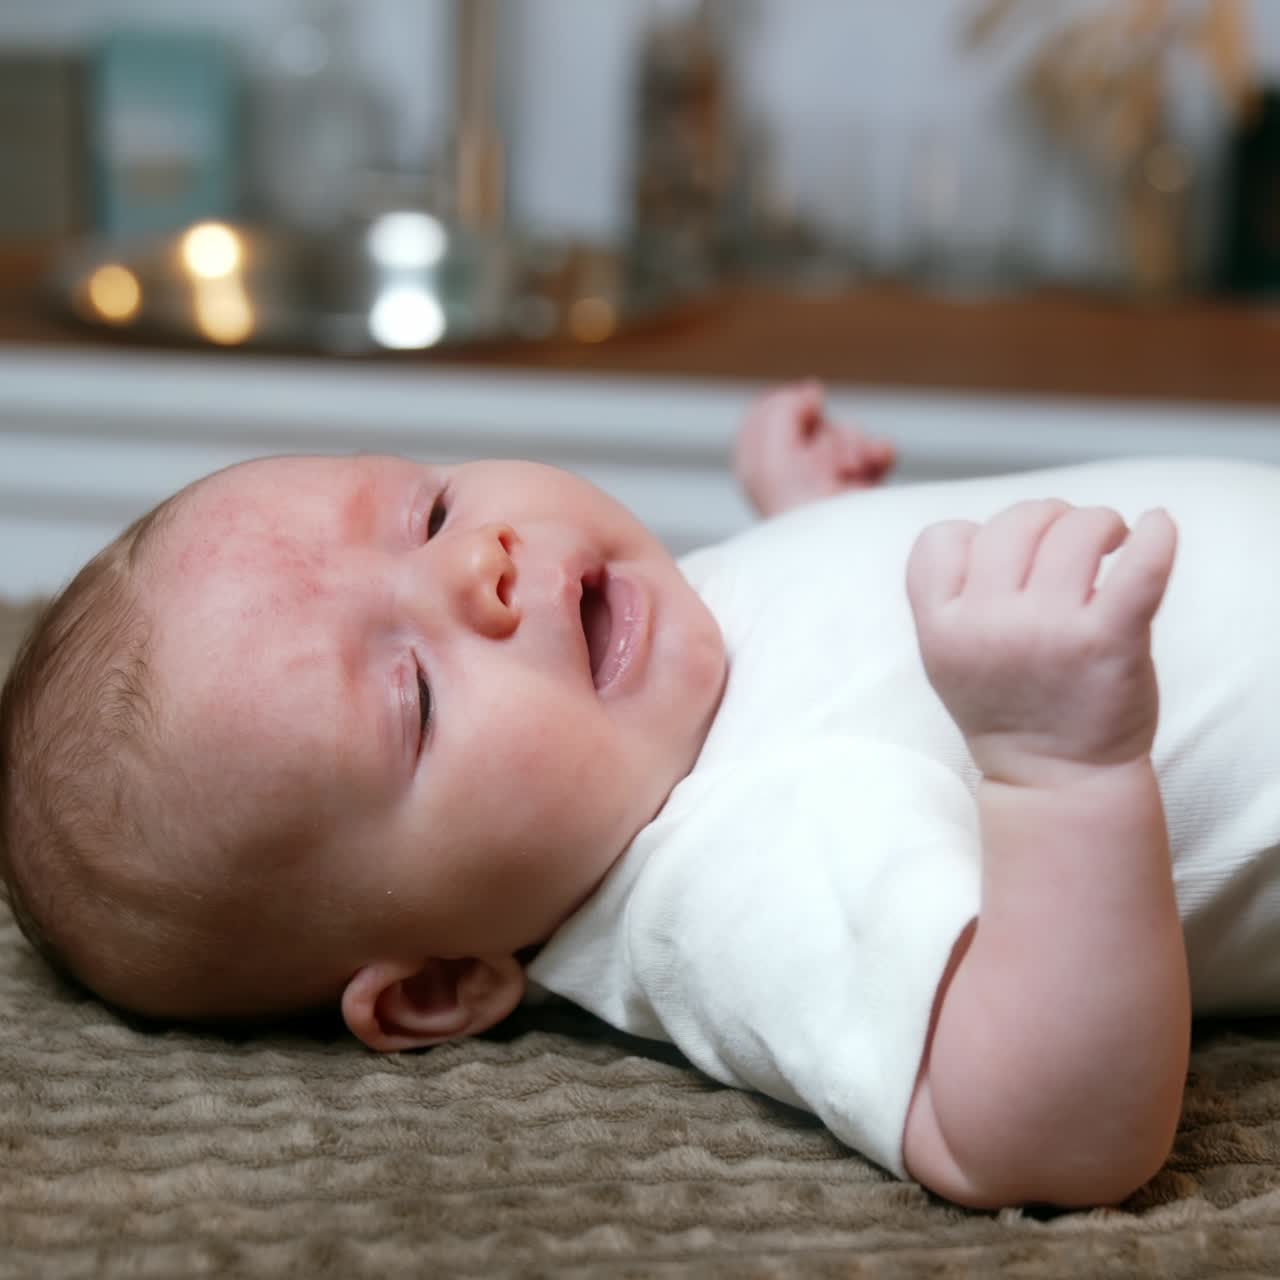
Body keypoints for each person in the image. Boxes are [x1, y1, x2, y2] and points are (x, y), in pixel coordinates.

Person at [3, 381, 1280, 1211]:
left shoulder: (645, 676)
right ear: (443, 983)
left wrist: (822, 529)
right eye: (415, 698)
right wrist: (1060, 766)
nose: (477, 567)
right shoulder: (724, 862)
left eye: (427, 505)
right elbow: (1037, 1132)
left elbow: (849, 679)